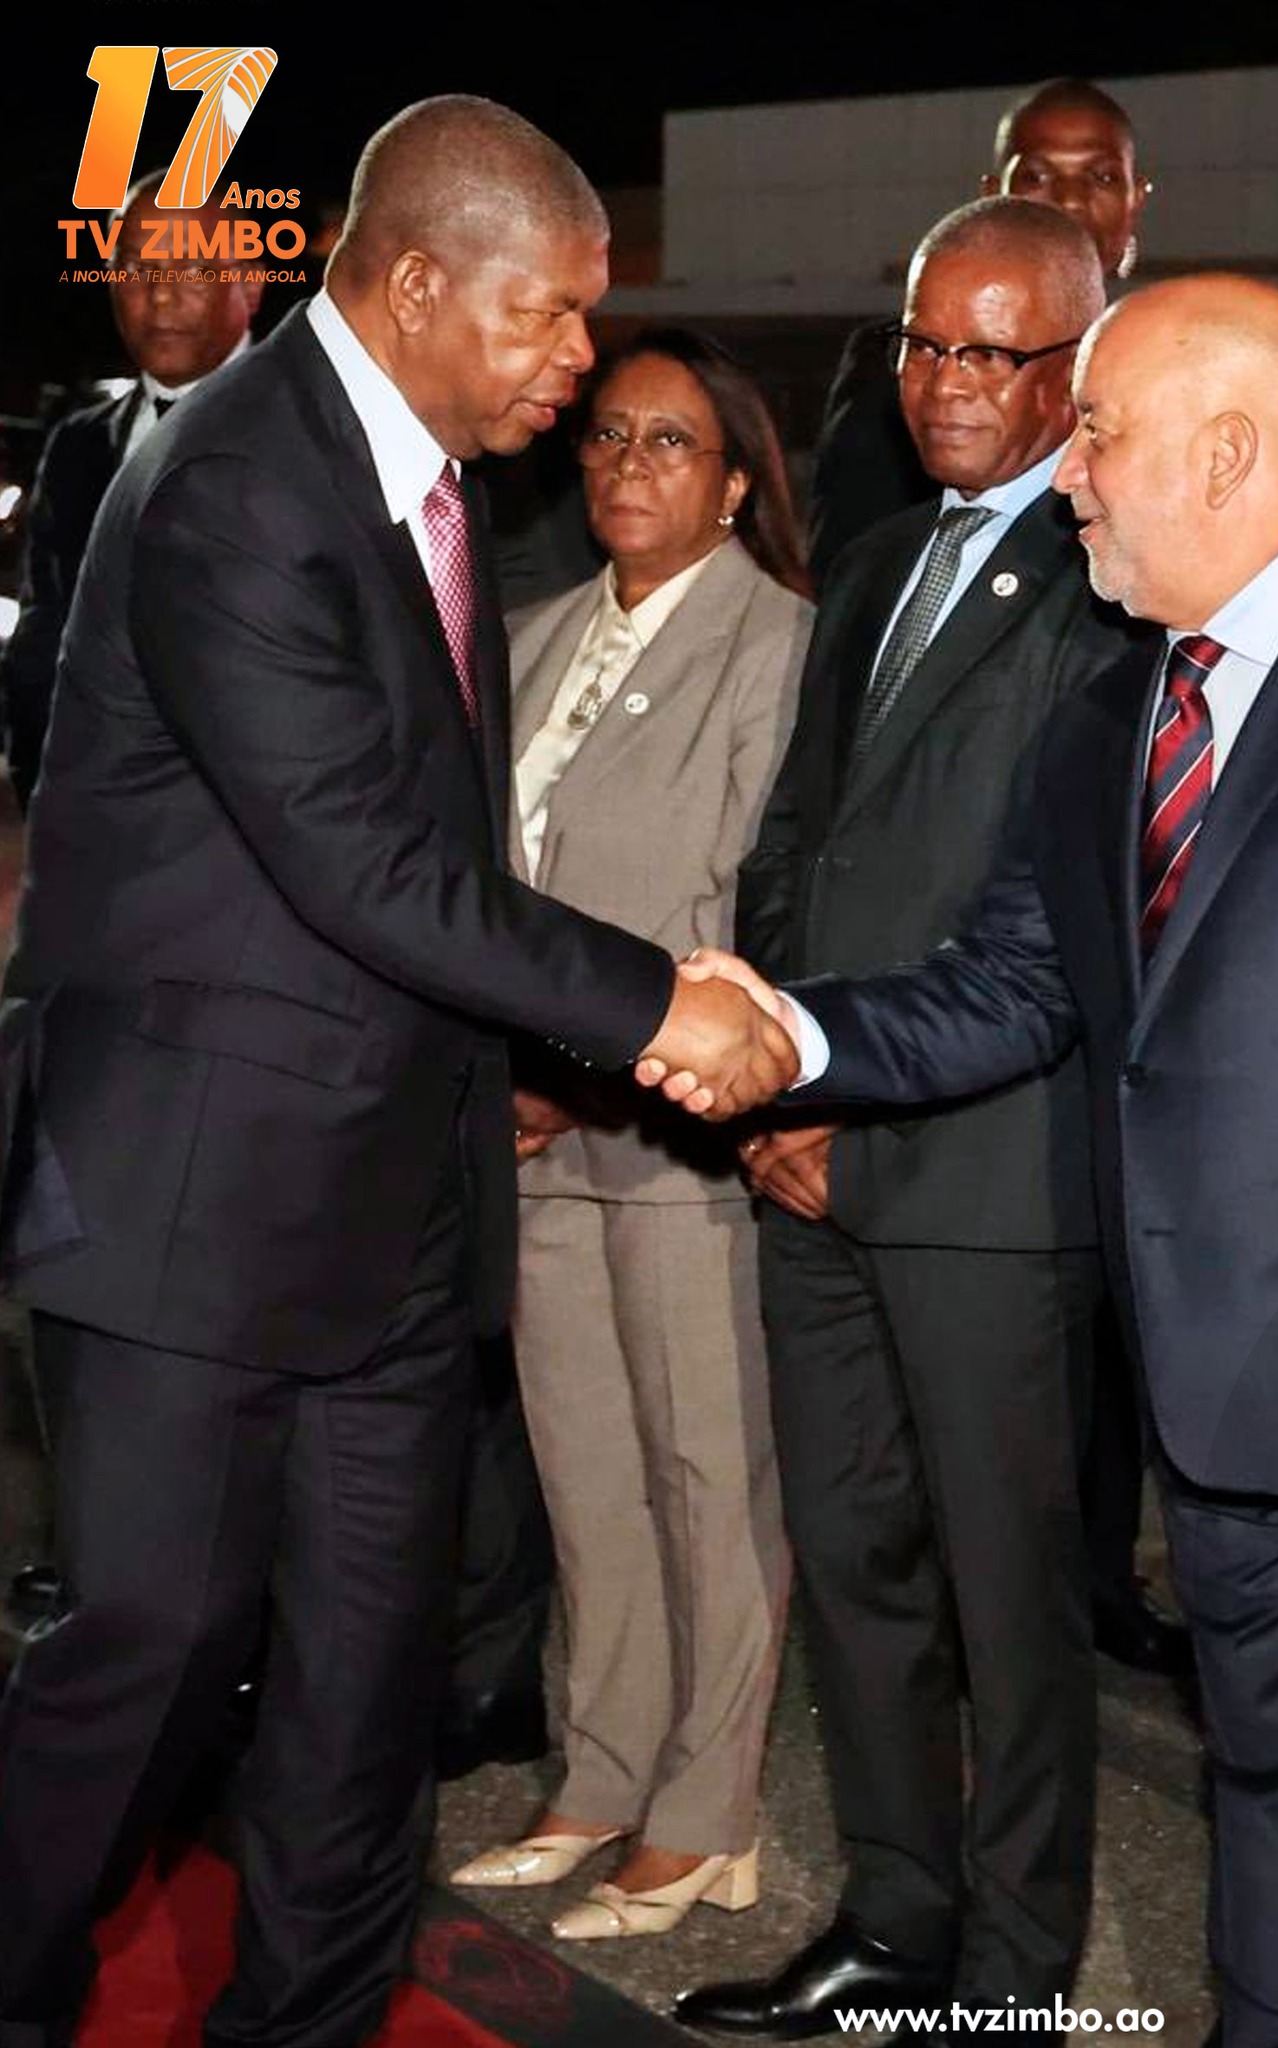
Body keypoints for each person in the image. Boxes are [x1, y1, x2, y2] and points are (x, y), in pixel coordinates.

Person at [667, 275, 1278, 2048]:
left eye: (1098, 435)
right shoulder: (1113, 710)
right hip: (1209, 1389)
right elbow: (1005, 989)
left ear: (1225, 451)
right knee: (1269, 1788)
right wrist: (784, 1034)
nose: (1072, 477)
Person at [0, 96, 791, 2048]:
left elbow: (433, 860)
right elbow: (362, 859)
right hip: (191, 1213)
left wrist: (515, 1054)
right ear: (419, 281)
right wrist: (647, 1002)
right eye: (550, 314)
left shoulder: (435, 488)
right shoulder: (235, 478)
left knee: (363, 1702)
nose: (578, 359)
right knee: (153, 1661)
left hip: (395, 1220)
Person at [669, 198, 1143, 2039]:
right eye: (924, 343)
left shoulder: (1111, 584)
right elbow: (792, 839)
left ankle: (1017, 1978)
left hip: (986, 1177)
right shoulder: (871, 561)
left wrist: (830, 1084)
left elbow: (1045, 939)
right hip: (807, 1152)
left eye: (993, 353)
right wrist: (780, 1091)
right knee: (856, 1568)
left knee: (1008, 1606)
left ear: (1076, 371)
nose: (946, 382)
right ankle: (894, 1918)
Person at [448, 328, 811, 1939]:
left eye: (668, 441)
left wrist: (570, 1066)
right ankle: (600, 1775)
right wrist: (505, 1072)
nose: (624, 465)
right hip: (532, 1130)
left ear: (733, 482)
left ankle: (708, 1810)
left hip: (675, 1126)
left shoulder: (777, 642)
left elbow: (727, 901)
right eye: (604, 436)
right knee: (586, 1471)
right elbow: (473, 893)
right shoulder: (527, 637)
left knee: (704, 1474)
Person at [805, 78, 1149, 582]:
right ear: (992, 194)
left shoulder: (1172, 374)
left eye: (1100, 177)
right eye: (1036, 174)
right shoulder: (894, 366)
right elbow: (845, 563)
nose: (1070, 199)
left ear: (1136, 198)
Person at [0, 178, 262, 809]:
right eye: (137, 269)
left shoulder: (318, 432)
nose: (160, 294)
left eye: (190, 268)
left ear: (249, 282)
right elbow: (44, 631)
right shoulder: (78, 447)